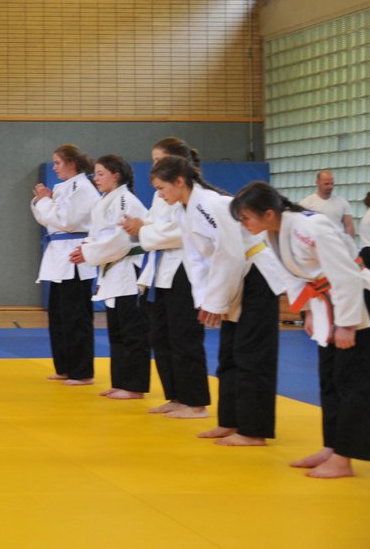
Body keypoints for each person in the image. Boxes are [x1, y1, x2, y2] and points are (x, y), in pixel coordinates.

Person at [150, 156, 296, 446]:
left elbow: (229, 254)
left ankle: (253, 430)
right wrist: (204, 300)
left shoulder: (210, 204)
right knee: (229, 354)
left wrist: (215, 303)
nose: (159, 194)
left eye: (162, 187)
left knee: (252, 355)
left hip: (255, 277)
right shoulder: (185, 209)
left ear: (179, 181)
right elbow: (196, 261)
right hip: (233, 280)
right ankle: (230, 421)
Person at [231, 181, 370, 478]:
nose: (243, 224)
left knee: (351, 382)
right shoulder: (274, 232)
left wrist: (347, 324)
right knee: (329, 378)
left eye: (245, 218)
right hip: (326, 304)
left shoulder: (312, 227)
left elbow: (346, 275)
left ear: (268, 213)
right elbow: (293, 277)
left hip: (357, 302)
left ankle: (344, 458)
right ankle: (331, 446)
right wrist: (306, 311)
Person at [121, 138, 211, 418]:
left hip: (185, 268)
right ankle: (176, 395)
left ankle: (195, 402)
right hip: (160, 269)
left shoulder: (196, 195)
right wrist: (139, 226)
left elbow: (182, 232)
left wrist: (144, 229)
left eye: (159, 160)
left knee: (185, 337)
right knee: (161, 336)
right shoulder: (161, 193)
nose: (155, 165)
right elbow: (153, 222)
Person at [71, 155, 149, 399]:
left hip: (128, 269)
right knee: (116, 330)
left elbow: (122, 240)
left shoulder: (126, 200)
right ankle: (121, 381)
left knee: (132, 331)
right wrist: (88, 246)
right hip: (112, 269)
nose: (96, 178)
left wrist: (89, 252)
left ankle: (134, 386)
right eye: (95, 173)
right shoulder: (106, 201)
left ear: (116, 175)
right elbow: (99, 235)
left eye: (101, 173)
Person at [31, 144, 101, 385]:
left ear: (72, 163)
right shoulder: (64, 188)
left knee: (76, 318)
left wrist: (45, 202)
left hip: (74, 257)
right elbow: (47, 219)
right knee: (59, 317)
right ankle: (64, 367)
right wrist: (42, 201)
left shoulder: (83, 188)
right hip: (58, 257)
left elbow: (66, 221)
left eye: (58, 162)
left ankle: (82, 372)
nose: (54, 167)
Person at [299, 170, 354, 237]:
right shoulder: (306, 204)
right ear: (317, 183)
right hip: (315, 242)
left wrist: (349, 242)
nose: (330, 187)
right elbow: (300, 227)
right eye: (326, 184)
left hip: (336, 242)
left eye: (332, 183)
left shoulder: (342, 203)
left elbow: (349, 226)